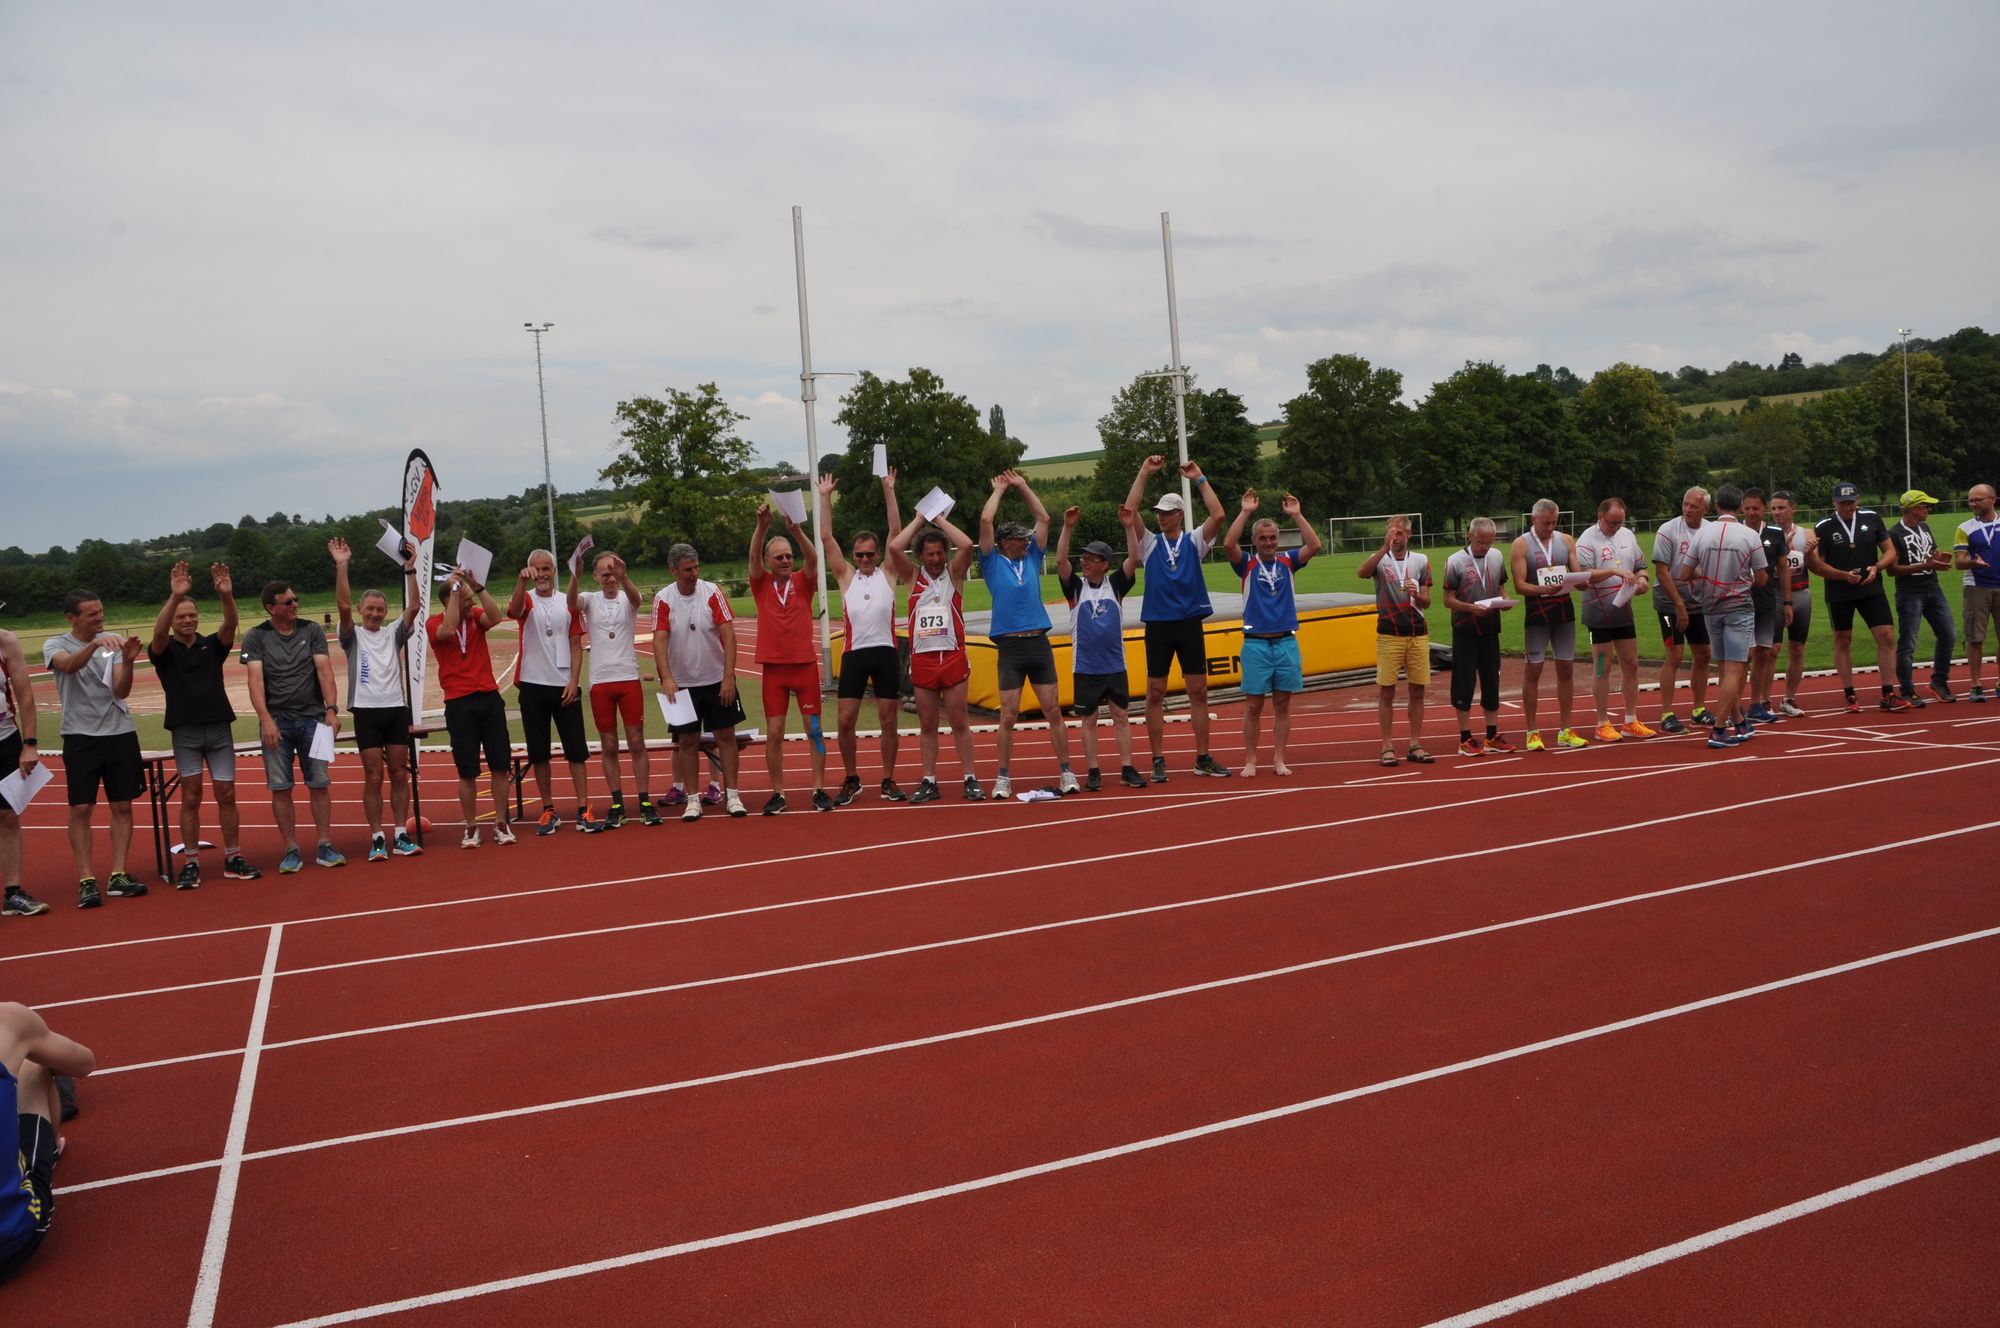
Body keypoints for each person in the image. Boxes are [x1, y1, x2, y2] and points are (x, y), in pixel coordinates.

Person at [1122, 454, 1232, 780]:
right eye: (1158, 513)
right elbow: (1130, 511)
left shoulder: (1195, 541)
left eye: (1167, 513)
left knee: (1198, 692)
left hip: (1189, 623)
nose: (1160, 517)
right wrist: (1144, 471)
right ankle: (1158, 759)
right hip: (1158, 625)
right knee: (1155, 693)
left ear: (1180, 515)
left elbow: (1219, 514)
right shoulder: (1149, 543)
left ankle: (1202, 758)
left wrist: (1199, 478)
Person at [147, 560, 256, 887]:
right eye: (181, 616)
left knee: (227, 795)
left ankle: (233, 857)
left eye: (192, 615)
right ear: (173, 620)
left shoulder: (211, 646)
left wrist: (226, 595)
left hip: (219, 728)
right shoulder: (164, 651)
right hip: (185, 731)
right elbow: (157, 634)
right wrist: (175, 595)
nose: (187, 620)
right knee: (191, 797)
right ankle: (191, 862)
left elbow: (231, 624)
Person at [42, 590, 148, 906]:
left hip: (119, 732)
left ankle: (118, 874)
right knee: (81, 808)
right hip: (80, 735)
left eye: (101, 611)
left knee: (122, 805)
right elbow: (68, 666)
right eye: (92, 614)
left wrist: (128, 661)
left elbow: (120, 690)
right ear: (71, 618)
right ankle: (87, 880)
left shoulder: (113, 642)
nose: (100, 618)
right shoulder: (55, 644)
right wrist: (93, 645)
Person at [979, 470, 1078, 799]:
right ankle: (1003, 777)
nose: (1026, 541)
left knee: (1053, 711)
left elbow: (1044, 518)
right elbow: (986, 519)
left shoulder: (1032, 558)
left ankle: (1066, 771)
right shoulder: (991, 562)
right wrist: (998, 490)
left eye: (1026, 538)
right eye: (1020, 538)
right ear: (1005, 542)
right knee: (1008, 715)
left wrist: (1021, 485)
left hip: (1038, 643)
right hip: (1010, 647)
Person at [817, 473, 907, 805]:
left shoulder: (888, 573)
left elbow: (896, 531)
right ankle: (852, 778)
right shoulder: (845, 576)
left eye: (870, 554)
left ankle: (888, 779)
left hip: (885, 653)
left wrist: (889, 490)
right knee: (845, 721)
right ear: (854, 556)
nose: (866, 560)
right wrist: (825, 497)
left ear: (877, 554)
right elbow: (826, 537)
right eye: (860, 555)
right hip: (854, 654)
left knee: (888, 720)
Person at [331, 538, 424, 861]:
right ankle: (377, 838)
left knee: (399, 773)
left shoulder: (393, 633)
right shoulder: (352, 635)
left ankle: (400, 834)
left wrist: (410, 568)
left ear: (385, 613)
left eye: (380, 609)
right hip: (366, 711)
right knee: (373, 776)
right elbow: (343, 605)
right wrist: (342, 565)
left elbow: (414, 607)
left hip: (395, 708)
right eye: (369, 608)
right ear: (361, 610)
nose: (374, 613)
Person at [241, 580, 344, 871]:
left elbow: (325, 671)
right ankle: (291, 849)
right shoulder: (256, 636)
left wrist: (332, 710)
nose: (295, 604)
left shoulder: (311, 630)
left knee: (320, 783)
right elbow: (255, 681)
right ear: (271, 608)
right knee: (280, 787)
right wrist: (265, 720)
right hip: (277, 723)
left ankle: (325, 844)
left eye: (296, 599)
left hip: (314, 720)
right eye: (288, 602)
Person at [890, 502, 986, 803]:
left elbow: (966, 545)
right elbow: (894, 548)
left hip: (952, 656)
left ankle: (970, 778)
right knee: (928, 724)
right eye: (929, 554)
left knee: (959, 720)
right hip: (923, 660)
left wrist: (940, 520)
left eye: (939, 553)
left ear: (945, 554)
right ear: (920, 556)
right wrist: (919, 518)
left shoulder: (954, 575)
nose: (935, 559)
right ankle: (929, 780)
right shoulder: (911, 578)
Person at [651, 543, 746, 820]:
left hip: (716, 679)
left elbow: (729, 635)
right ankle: (692, 800)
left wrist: (728, 677)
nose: (694, 573)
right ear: (673, 570)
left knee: (725, 737)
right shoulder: (663, 599)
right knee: (687, 741)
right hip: (682, 684)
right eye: (687, 570)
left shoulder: (712, 592)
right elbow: (659, 639)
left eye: (696, 568)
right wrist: (666, 677)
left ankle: (733, 795)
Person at [0, 1002, 95, 1280]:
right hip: (10, 1241)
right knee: (33, 1067)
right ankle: (49, 1145)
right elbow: (84, 1064)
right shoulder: (9, 1020)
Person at [748, 498, 830, 814]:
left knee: (814, 730)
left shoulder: (802, 581)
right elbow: (752, 557)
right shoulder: (761, 583)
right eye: (779, 557)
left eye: (788, 556)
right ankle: (778, 793)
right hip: (775, 671)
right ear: (768, 561)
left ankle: (818, 789)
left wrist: (796, 532)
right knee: (774, 734)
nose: (785, 560)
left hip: (804, 667)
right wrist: (761, 527)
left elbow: (813, 558)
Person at [507, 549, 597, 834]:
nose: (542, 574)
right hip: (532, 684)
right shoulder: (526, 598)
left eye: (547, 568)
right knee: (539, 753)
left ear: (554, 571)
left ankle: (583, 809)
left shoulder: (567, 602)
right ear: (530, 571)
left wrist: (574, 681)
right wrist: (521, 581)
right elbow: (514, 611)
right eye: (537, 569)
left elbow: (575, 645)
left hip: (564, 686)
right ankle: (548, 809)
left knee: (576, 751)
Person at [1056, 506, 1146, 789]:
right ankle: (1093, 770)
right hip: (1085, 667)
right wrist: (1067, 527)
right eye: (1083, 558)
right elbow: (1060, 560)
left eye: (1091, 559)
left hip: (1115, 665)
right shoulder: (1075, 588)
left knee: (1121, 716)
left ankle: (1127, 767)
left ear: (1105, 564)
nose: (1084, 563)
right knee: (1089, 720)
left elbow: (1133, 558)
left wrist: (1129, 527)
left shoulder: (1116, 585)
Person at [568, 550, 659, 827]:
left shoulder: (627, 597)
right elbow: (571, 602)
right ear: (596, 576)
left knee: (636, 742)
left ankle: (644, 801)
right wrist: (575, 575)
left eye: (614, 573)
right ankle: (617, 803)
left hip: (628, 677)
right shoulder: (590, 599)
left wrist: (625, 577)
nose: (611, 578)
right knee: (609, 745)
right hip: (600, 681)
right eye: (605, 574)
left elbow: (637, 600)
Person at [1676, 484, 1768, 748]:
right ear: (1740, 507)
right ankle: (1718, 729)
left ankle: (1739, 721)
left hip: (1710, 607)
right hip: (1738, 606)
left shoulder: (1702, 535)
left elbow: (1684, 573)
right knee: (1735, 669)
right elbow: (1762, 578)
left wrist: (1706, 575)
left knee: (1726, 667)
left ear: (1716, 505)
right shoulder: (1749, 535)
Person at [430, 569, 516, 847]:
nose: (471, 603)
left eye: (470, 598)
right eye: (465, 598)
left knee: (500, 765)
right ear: (449, 600)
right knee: (467, 770)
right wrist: (456, 592)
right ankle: (470, 826)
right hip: (459, 702)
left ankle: (501, 822)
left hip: (489, 697)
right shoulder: (434, 623)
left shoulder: (475, 618)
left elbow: (495, 617)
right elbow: (447, 630)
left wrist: (477, 587)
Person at [1809, 481, 1909, 714]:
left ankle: (1888, 692)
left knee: (1886, 636)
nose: (1848, 507)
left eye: (1851, 502)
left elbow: (1890, 551)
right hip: (1839, 591)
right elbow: (1819, 567)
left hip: (1871, 588)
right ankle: (1849, 694)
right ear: (1834, 502)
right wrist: (1843, 576)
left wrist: (1877, 567)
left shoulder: (1872, 518)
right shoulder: (1823, 526)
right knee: (1843, 640)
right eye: (1843, 503)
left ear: (1858, 500)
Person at [1511, 499, 1589, 751]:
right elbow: (1519, 585)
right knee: (1533, 670)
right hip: (1537, 612)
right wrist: (1541, 589)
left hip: (1564, 610)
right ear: (1533, 519)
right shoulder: (1521, 544)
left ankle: (1565, 730)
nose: (1551, 527)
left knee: (1566, 668)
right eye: (1546, 522)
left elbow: (1576, 573)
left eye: (1554, 522)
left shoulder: (1565, 540)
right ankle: (1532, 731)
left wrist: (1581, 582)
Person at [1573, 498, 1654, 741]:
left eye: (1620, 522)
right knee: (1602, 666)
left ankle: (1630, 720)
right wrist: (1613, 570)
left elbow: (1641, 566)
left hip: (1623, 611)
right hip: (1597, 613)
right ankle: (1602, 723)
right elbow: (1582, 575)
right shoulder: (1587, 540)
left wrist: (1643, 581)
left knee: (1631, 663)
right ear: (1601, 517)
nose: (1617, 527)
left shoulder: (1627, 535)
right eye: (1612, 523)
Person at [1356, 512, 1430, 766]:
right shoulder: (1380, 560)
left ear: (1409, 534)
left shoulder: (1420, 560)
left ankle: (1415, 743)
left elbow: (1428, 601)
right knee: (1387, 690)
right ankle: (1387, 745)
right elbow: (1361, 573)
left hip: (1417, 632)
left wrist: (1417, 594)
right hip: (1389, 633)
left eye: (1399, 532)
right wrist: (1383, 548)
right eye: (1390, 532)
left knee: (1417, 690)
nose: (1394, 537)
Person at [1440, 518, 1516, 756]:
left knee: (1492, 682)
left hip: (1490, 628)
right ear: (1470, 536)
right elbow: (1447, 599)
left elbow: (1501, 587)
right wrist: (1471, 608)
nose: (1486, 547)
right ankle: (1465, 738)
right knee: (1464, 683)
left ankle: (1492, 735)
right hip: (1465, 630)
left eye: (1490, 542)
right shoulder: (1455, 561)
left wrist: (1505, 601)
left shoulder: (1496, 556)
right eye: (1481, 542)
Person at [1651, 487, 1715, 733]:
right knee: (1675, 655)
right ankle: (1666, 714)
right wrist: (1679, 605)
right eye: (1685, 504)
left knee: (1704, 654)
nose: (1688, 509)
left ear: (1705, 509)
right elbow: (1661, 571)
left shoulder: (1710, 530)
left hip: (1699, 601)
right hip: (1670, 601)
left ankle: (1698, 709)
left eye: (1694, 506)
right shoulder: (1668, 530)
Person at [1887, 489, 1957, 705]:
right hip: (1910, 593)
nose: (1929, 509)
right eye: (1926, 506)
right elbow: (1891, 569)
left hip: (1933, 588)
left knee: (1948, 635)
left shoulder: (1925, 527)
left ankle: (1939, 682)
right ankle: (1907, 690)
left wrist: (1938, 559)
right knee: (1908, 643)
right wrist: (1925, 565)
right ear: (1914, 509)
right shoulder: (1894, 533)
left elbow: (1930, 554)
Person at [0, 629, 48, 916]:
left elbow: (25, 693)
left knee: (8, 816)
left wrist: (29, 744)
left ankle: (13, 893)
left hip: (4, 738)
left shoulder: (5, 641)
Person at [1740, 489, 1792, 724]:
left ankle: (1756, 704)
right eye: (1747, 508)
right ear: (1741, 509)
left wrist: (1787, 602)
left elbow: (1783, 570)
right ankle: (1734, 706)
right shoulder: (1736, 532)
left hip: (1767, 602)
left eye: (1756, 508)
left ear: (1764, 509)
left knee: (1764, 653)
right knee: (1743, 656)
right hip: (1740, 603)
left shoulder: (1775, 533)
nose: (1751, 513)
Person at [1770, 490, 1816, 716]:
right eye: (1774, 508)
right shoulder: (1766, 535)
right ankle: (1763, 700)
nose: (1777, 512)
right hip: (1775, 596)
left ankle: (1788, 698)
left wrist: (1811, 554)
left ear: (1793, 508)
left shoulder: (1806, 534)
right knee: (1771, 650)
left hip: (1801, 595)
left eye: (1781, 508)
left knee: (1797, 648)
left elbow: (1816, 567)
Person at [1953, 483, 2000, 702]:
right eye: (1971, 500)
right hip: (1976, 587)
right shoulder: (1965, 528)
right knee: (1975, 638)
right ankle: (1975, 685)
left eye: (1978, 500)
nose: (1973, 504)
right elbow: (1959, 562)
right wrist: (1973, 562)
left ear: (1993, 500)